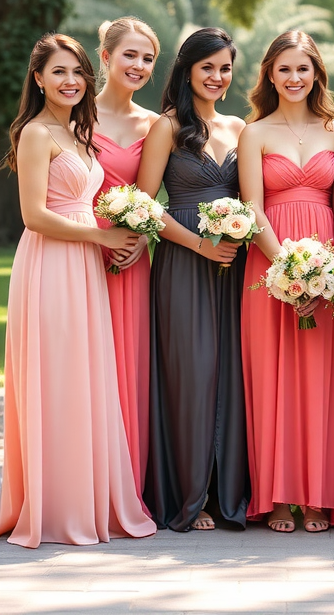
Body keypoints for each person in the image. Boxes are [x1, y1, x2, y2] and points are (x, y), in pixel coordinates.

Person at [0, 33, 155, 547]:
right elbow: (34, 215)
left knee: (84, 377)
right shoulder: (36, 133)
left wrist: (116, 233)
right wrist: (100, 235)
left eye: (77, 72)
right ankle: (51, 505)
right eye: (58, 72)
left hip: (86, 267)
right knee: (55, 376)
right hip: (49, 263)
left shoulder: (78, 133)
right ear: (38, 77)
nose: (70, 81)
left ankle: (85, 495)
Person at [238, 29, 334, 533]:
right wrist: (288, 270)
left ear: (316, 74)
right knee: (272, 380)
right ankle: (279, 495)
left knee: (321, 380)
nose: (293, 78)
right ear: (269, 73)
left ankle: (319, 494)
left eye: (302, 69)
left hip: (326, 267)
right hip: (269, 265)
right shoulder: (255, 134)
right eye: (284, 69)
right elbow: (251, 208)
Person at [138, 27, 249, 532]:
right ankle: (191, 495)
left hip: (234, 268)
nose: (217, 76)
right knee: (194, 374)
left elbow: (253, 201)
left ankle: (229, 491)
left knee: (230, 372)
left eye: (225, 68)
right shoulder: (166, 127)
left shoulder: (240, 128)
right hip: (184, 264)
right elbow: (144, 206)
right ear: (187, 70)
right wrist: (200, 243)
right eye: (207, 67)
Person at [93, 17, 160, 504]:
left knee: (127, 365)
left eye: (148, 58)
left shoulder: (154, 125)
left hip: (132, 257)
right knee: (85, 363)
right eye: (130, 55)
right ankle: (88, 481)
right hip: (81, 251)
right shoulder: (75, 116)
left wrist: (138, 238)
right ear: (105, 57)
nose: (138, 65)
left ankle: (127, 486)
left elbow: (153, 194)